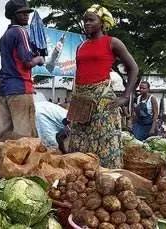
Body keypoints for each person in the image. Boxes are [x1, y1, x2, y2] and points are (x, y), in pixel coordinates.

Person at [68, 5, 139, 169]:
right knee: (79, 144)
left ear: (102, 23)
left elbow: (133, 68)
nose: (86, 23)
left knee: (104, 144)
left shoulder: (112, 42)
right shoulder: (81, 46)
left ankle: (108, 180)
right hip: (82, 101)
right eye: (85, 20)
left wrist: (125, 96)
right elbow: (79, 74)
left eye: (91, 20)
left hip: (103, 101)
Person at [0, 0, 45, 141]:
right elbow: (27, 62)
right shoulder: (20, 31)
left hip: (4, 90)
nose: (26, 15)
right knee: (25, 137)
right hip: (20, 88)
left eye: (27, 12)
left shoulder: (4, 36)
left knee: (2, 134)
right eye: (22, 13)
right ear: (12, 15)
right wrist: (39, 59)